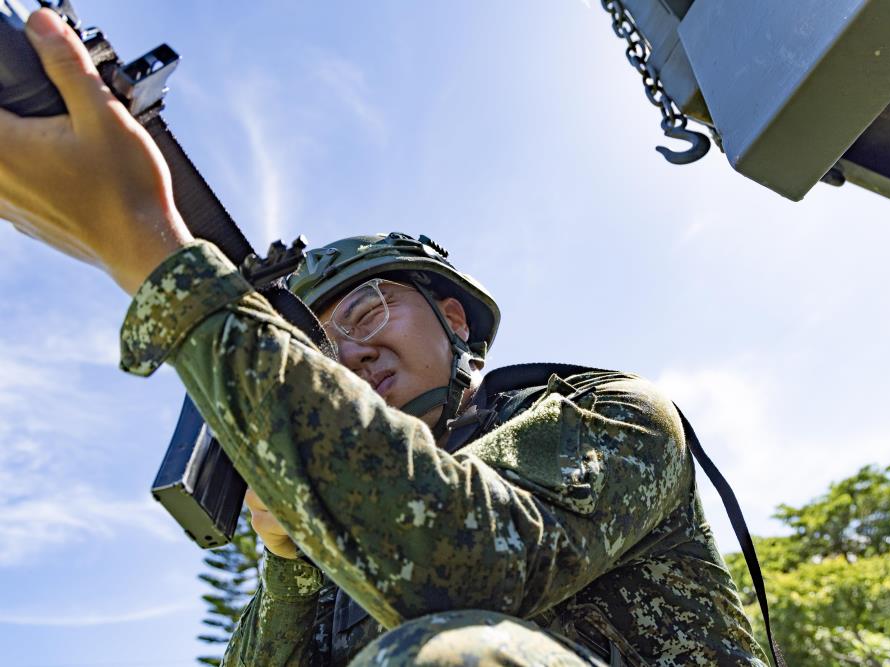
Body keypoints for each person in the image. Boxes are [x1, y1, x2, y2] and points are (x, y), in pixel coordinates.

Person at [0, 10, 768, 666]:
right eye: (320, 351)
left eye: (365, 314)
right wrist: (288, 561)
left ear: (454, 321)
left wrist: (152, 253)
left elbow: (461, 568)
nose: (349, 356)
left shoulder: (609, 418)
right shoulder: (342, 532)